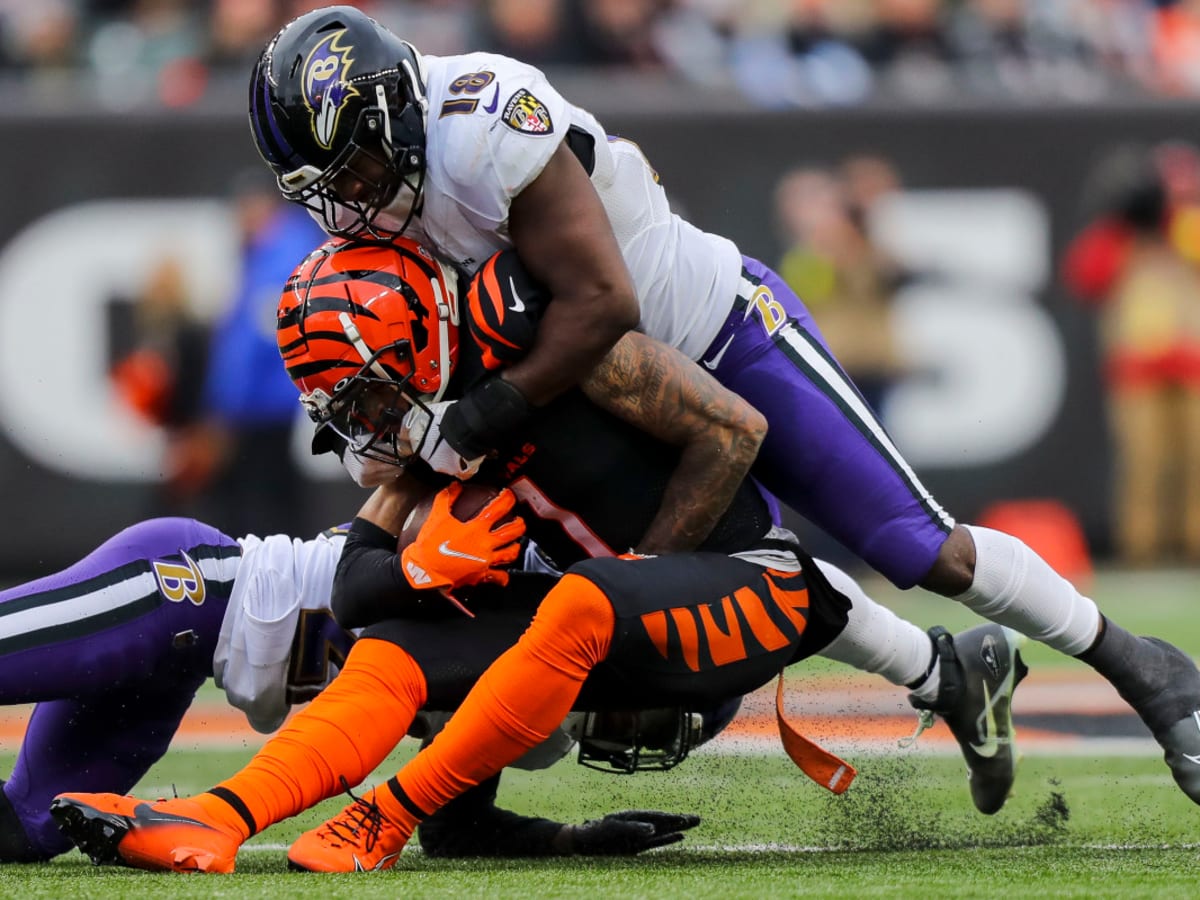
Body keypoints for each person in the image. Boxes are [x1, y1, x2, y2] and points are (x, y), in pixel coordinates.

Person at [243, 5, 1200, 797]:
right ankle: (948, 672)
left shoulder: (485, 122)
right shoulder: (382, 204)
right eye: (329, 191)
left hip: (707, 335)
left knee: (919, 545)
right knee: (715, 580)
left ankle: (1139, 665)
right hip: (580, 387)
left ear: (396, 113)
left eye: (360, 172)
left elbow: (601, 302)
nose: (354, 206)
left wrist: (483, 419)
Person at [50, 237, 1025, 873]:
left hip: (735, 593)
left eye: (369, 396)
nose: (361, 427)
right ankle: (219, 816)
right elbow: (355, 591)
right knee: (401, 640)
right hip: (589, 627)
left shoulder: (555, 345)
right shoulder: (427, 446)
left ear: (421, 347)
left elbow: (739, 447)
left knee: (588, 598)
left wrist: (926, 662)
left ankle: (377, 817)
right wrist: (426, 577)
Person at [0, 512, 703, 863]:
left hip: (182, 668)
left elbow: (457, 826)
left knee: (28, 833)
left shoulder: (532, 714)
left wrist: (571, 841)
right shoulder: (527, 590)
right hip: (186, 588)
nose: (627, 732)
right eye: (650, 719)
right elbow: (417, 528)